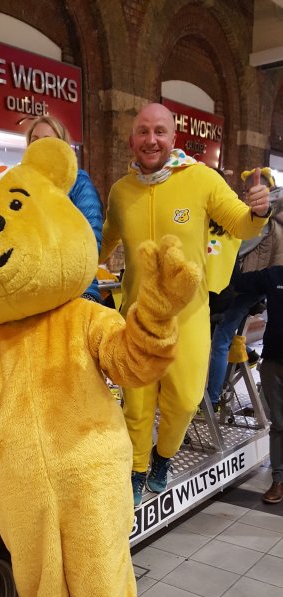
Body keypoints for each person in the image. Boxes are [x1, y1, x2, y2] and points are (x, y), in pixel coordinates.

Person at [100, 102, 271, 505]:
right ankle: (137, 468)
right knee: (137, 403)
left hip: (189, 318)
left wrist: (260, 211)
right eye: (143, 131)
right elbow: (103, 242)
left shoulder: (201, 180)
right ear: (132, 140)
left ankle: (163, 457)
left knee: (185, 399)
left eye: (160, 131)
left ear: (173, 138)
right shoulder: (121, 192)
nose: (151, 140)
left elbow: (241, 222)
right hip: (138, 319)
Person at [207, 168, 283, 408]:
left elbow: (238, 249)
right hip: (254, 287)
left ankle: (212, 398)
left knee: (220, 339)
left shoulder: (263, 221)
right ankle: (246, 354)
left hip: (246, 287)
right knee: (223, 335)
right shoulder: (272, 219)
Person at [26, 115, 103, 304]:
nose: (38, 146)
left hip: (76, 289)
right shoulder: (24, 186)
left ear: (61, 146)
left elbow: (92, 241)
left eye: (47, 141)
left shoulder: (77, 181)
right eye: (34, 141)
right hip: (34, 290)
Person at [233, 264, 283, 502]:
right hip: (274, 361)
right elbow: (238, 282)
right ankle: (278, 480)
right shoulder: (274, 276)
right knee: (279, 425)